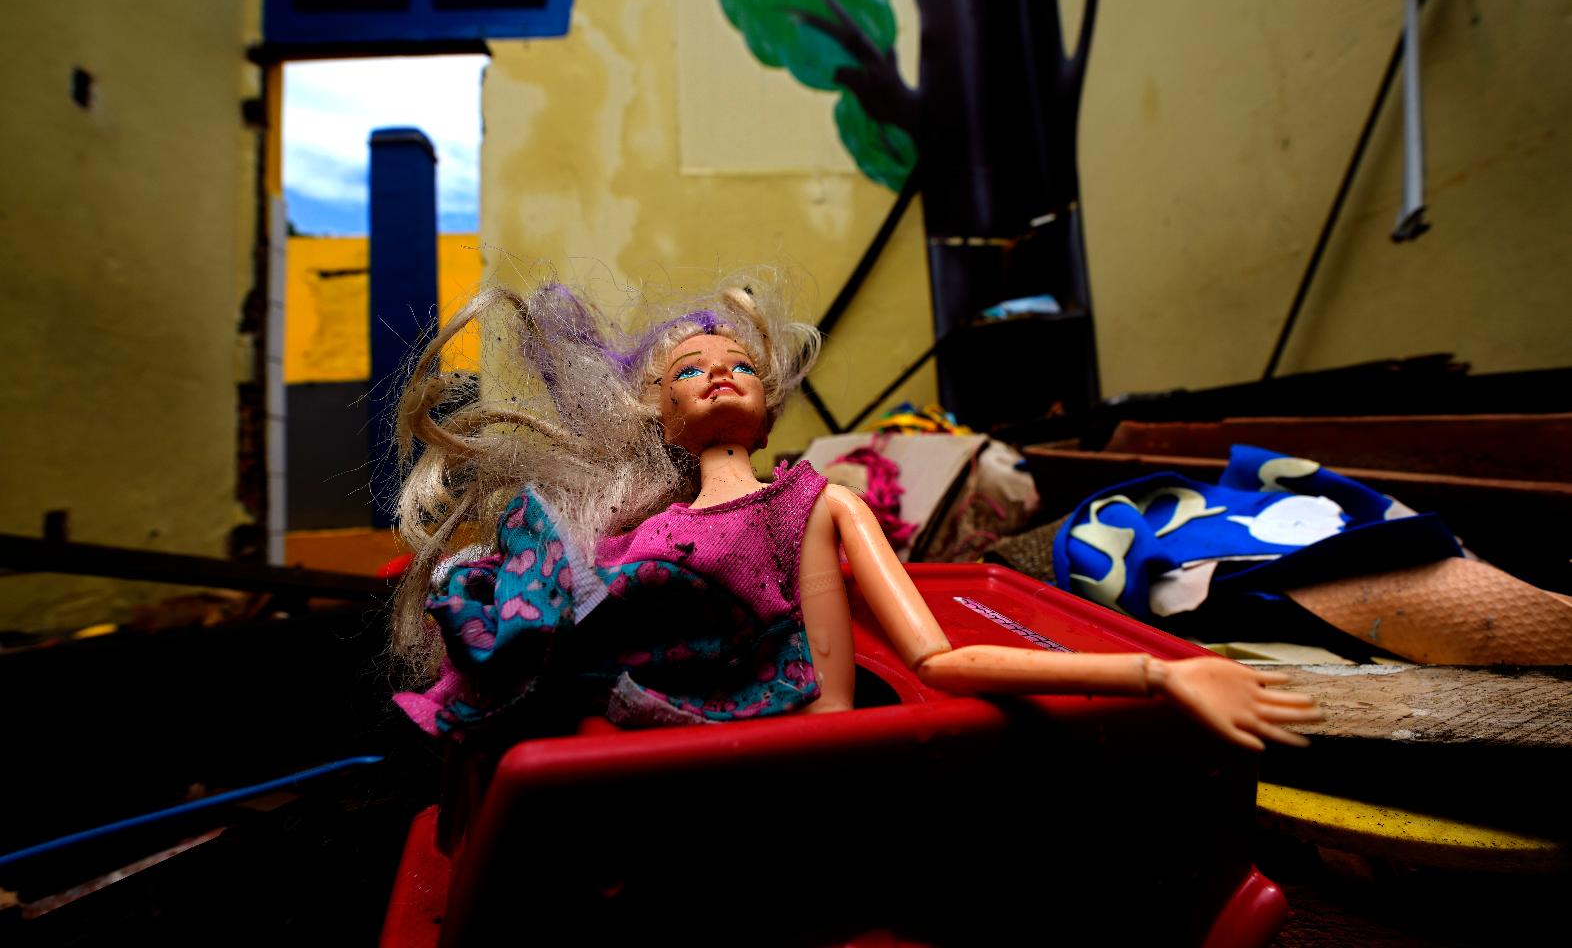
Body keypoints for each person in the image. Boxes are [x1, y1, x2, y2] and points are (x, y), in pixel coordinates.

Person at [389, 276, 1320, 749]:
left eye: (739, 365)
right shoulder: (635, 527)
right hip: (606, 716)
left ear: (770, 399)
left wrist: (1160, 676)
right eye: (687, 372)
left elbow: (924, 665)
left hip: (735, 735)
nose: (718, 370)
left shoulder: (812, 504)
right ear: (661, 417)